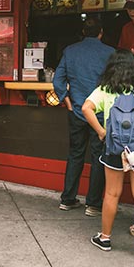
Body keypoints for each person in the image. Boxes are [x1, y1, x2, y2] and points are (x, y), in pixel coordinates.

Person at [82, 50, 134, 261]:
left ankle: (105, 238)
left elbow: (86, 108)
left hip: (114, 148)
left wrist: (101, 131)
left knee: (111, 194)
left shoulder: (106, 89)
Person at [52, 17, 113, 214]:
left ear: (84, 33)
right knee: (98, 157)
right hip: (101, 113)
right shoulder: (110, 53)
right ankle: (93, 204)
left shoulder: (70, 51)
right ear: (101, 32)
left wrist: (67, 101)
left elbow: (58, 80)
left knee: (75, 154)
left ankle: (68, 198)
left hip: (77, 110)